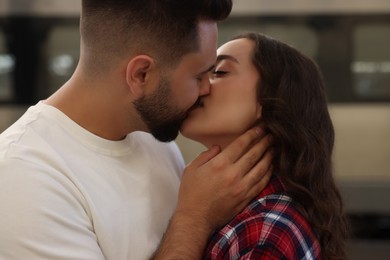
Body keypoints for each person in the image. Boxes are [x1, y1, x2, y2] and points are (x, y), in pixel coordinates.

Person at [0, 1, 274, 260]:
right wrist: (195, 219)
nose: (205, 89)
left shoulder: (153, 137)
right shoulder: (23, 177)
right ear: (141, 74)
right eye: (198, 76)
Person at [180, 32, 349, 259]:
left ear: (271, 101)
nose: (201, 85)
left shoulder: (264, 234)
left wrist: (191, 218)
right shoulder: (250, 214)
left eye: (219, 72)